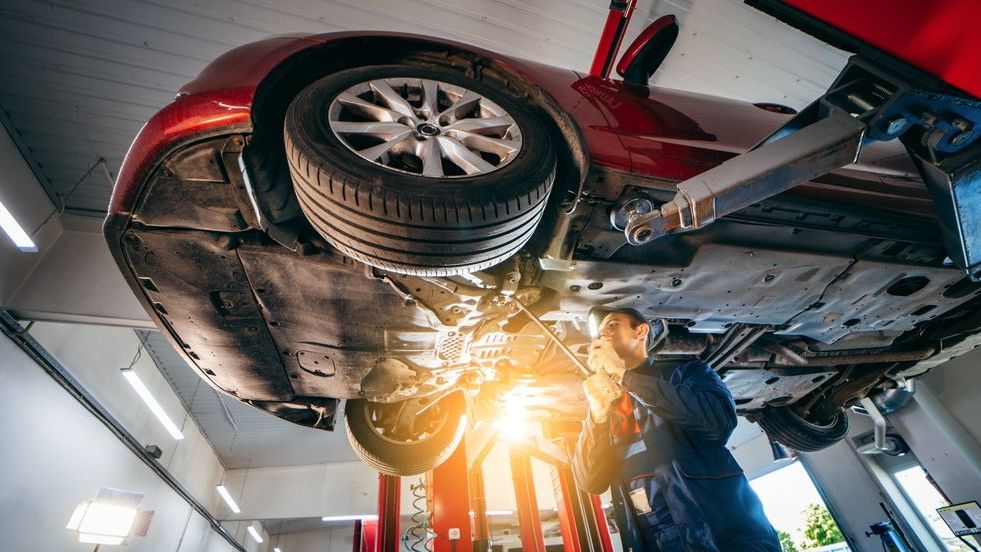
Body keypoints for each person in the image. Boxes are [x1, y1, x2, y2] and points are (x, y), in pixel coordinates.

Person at [572, 307, 781, 552]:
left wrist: (625, 376)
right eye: (600, 332)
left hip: (726, 539)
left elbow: (718, 422)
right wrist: (596, 415)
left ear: (640, 331)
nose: (603, 335)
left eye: (613, 325)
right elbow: (590, 482)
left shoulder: (686, 373)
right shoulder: (606, 403)